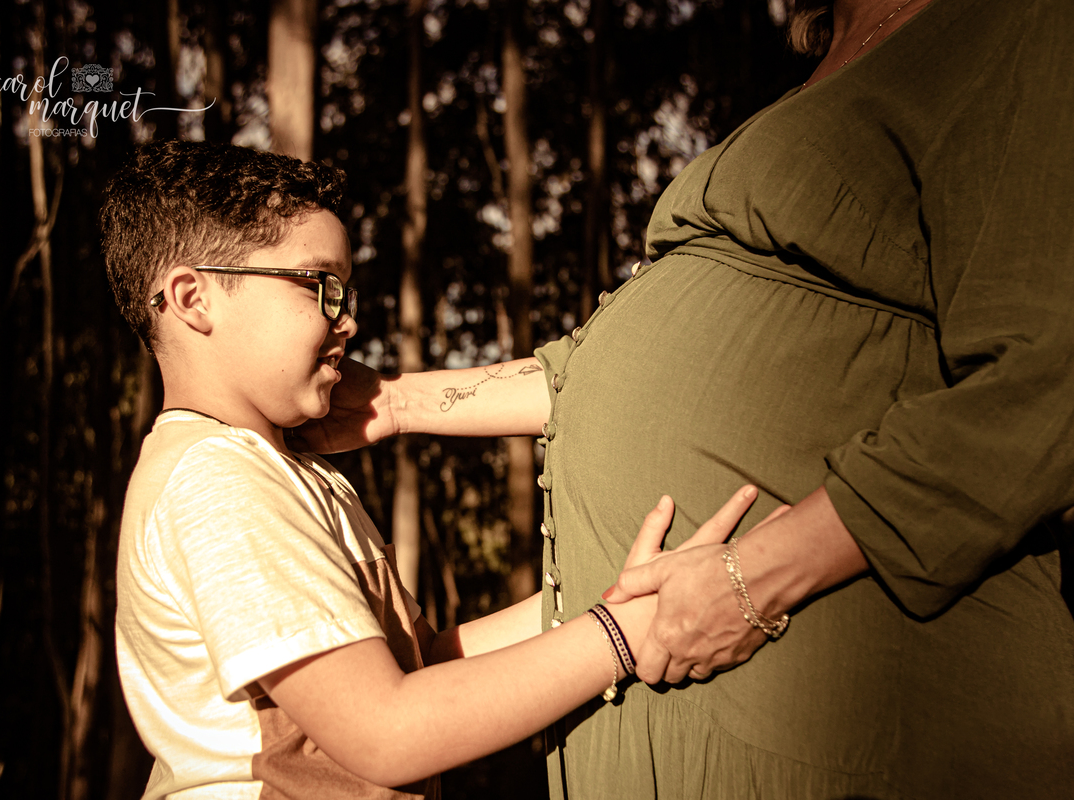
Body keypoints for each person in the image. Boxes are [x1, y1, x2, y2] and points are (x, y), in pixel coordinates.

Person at [297, 0, 1074, 797]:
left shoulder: (1020, 25)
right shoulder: (816, 71)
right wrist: (395, 404)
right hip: (692, 684)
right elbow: (594, 374)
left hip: (838, 686)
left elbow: (1044, 381)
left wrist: (755, 582)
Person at [99, 140, 768, 800]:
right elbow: (388, 729)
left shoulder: (287, 473)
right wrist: (631, 635)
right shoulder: (219, 482)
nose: (349, 321)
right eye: (321, 287)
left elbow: (420, 667)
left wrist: (599, 604)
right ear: (192, 299)